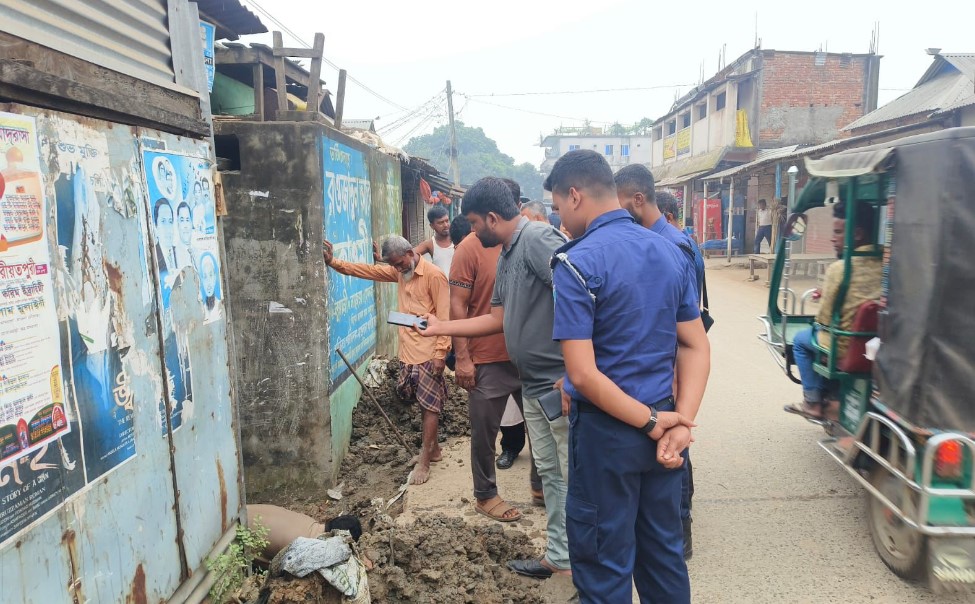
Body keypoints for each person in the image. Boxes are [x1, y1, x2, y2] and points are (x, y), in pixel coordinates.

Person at [550, 150, 709, 603]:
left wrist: (650, 422)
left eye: (560, 207)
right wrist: (679, 422)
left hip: (609, 436)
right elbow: (696, 345)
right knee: (663, 558)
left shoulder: (576, 263)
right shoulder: (670, 249)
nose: (561, 220)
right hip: (663, 432)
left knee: (604, 566)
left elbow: (581, 373)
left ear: (575, 195)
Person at [421, 177, 571, 579]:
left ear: (491, 217)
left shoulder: (538, 239)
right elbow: (496, 319)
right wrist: (440, 329)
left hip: (555, 383)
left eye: (473, 223)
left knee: (570, 473)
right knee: (553, 473)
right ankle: (559, 556)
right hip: (535, 381)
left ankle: (586, 562)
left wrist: (576, 371)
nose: (470, 231)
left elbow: (584, 296)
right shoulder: (506, 252)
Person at [615, 165, 702, 561]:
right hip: (658, 361)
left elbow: (684, 324)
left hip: (671, 362)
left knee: (675, 445)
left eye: (617, 204)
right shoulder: (649, 239)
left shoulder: (671, 245)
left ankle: (678, 533)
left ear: (637, 200)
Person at [324, 235, 450, 485]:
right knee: (418, 401)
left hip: (428, 353)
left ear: (409, 252)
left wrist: (440, 354)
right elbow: (368, 271)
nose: (397, 268)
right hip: (408, 353)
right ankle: (434, 451)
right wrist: (334, 263)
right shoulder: (399, 273)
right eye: (393, 265)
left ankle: (424, 461)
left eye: (399, 263)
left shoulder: (434, 276)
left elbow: (444, 318)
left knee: (430, 406)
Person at [448, 210, 541, 521]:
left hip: (527, 356)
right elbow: (458, 304)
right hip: (487, 358)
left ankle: (541, 487)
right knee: (484, 435)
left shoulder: (527, 243)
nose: (474, 229)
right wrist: (462, 357)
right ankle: (485, 495)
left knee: (543, 430)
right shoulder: (469, 249)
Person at [786, 201, 881, 421]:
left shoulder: (840, 269)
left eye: (838, 232)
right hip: (878, 341)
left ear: (857, 234)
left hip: (846, 343)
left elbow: (825, 318)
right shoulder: (885, 262)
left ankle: (812, 402)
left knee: (801, 341)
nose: (832, 238)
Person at [413, 204, 454, 275]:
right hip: (439, 285)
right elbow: (409, 255)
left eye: (447, 221)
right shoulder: (430, 244)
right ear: (432, 226)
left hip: (459, 285)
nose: (446, 225)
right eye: (440, 223)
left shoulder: (458, 239)